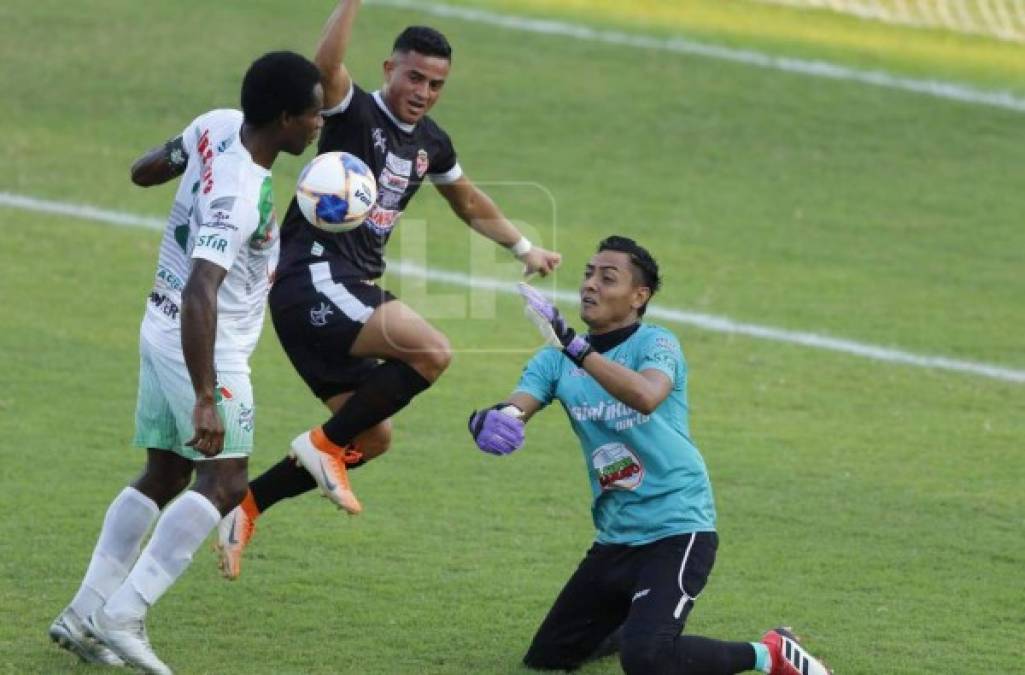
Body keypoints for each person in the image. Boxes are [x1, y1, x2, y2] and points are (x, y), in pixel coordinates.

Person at [214, 0, 562, 579]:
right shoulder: (353, 113)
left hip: (334, 298)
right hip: (316, 278)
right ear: (388, 69)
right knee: (432, 350)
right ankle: (322, 449)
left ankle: (246, 506)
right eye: (415, 76)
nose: (424, 91)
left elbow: (467, 199)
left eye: (436, 83)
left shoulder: (431, 143)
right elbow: (325, 65)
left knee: (371, 436)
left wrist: (525, 249)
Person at [47, 52, 324, 674]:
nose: (318, 125)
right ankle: (124, 614)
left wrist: (180, 167)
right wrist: (206, 394)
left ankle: (83, 613)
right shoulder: (242, 189)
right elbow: (204, 287)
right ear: (283, 119)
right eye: (312, 115)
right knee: (225, 482)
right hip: (203, 344)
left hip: (159, 321)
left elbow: (146, 170)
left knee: (168, 472)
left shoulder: (218, 122)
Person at [467, 236, 832, 675]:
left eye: (607, 278)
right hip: (616, 536)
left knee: (647, 660)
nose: (590, 286)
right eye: (587, 274)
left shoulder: (657, 344)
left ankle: (770, 653)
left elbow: (645, 395)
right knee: (549, 657)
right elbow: (517, 404)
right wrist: (492, 419)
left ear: (639, 297)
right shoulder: (554, 361)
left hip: (677, 528)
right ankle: (641, 620)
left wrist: (574, 346)